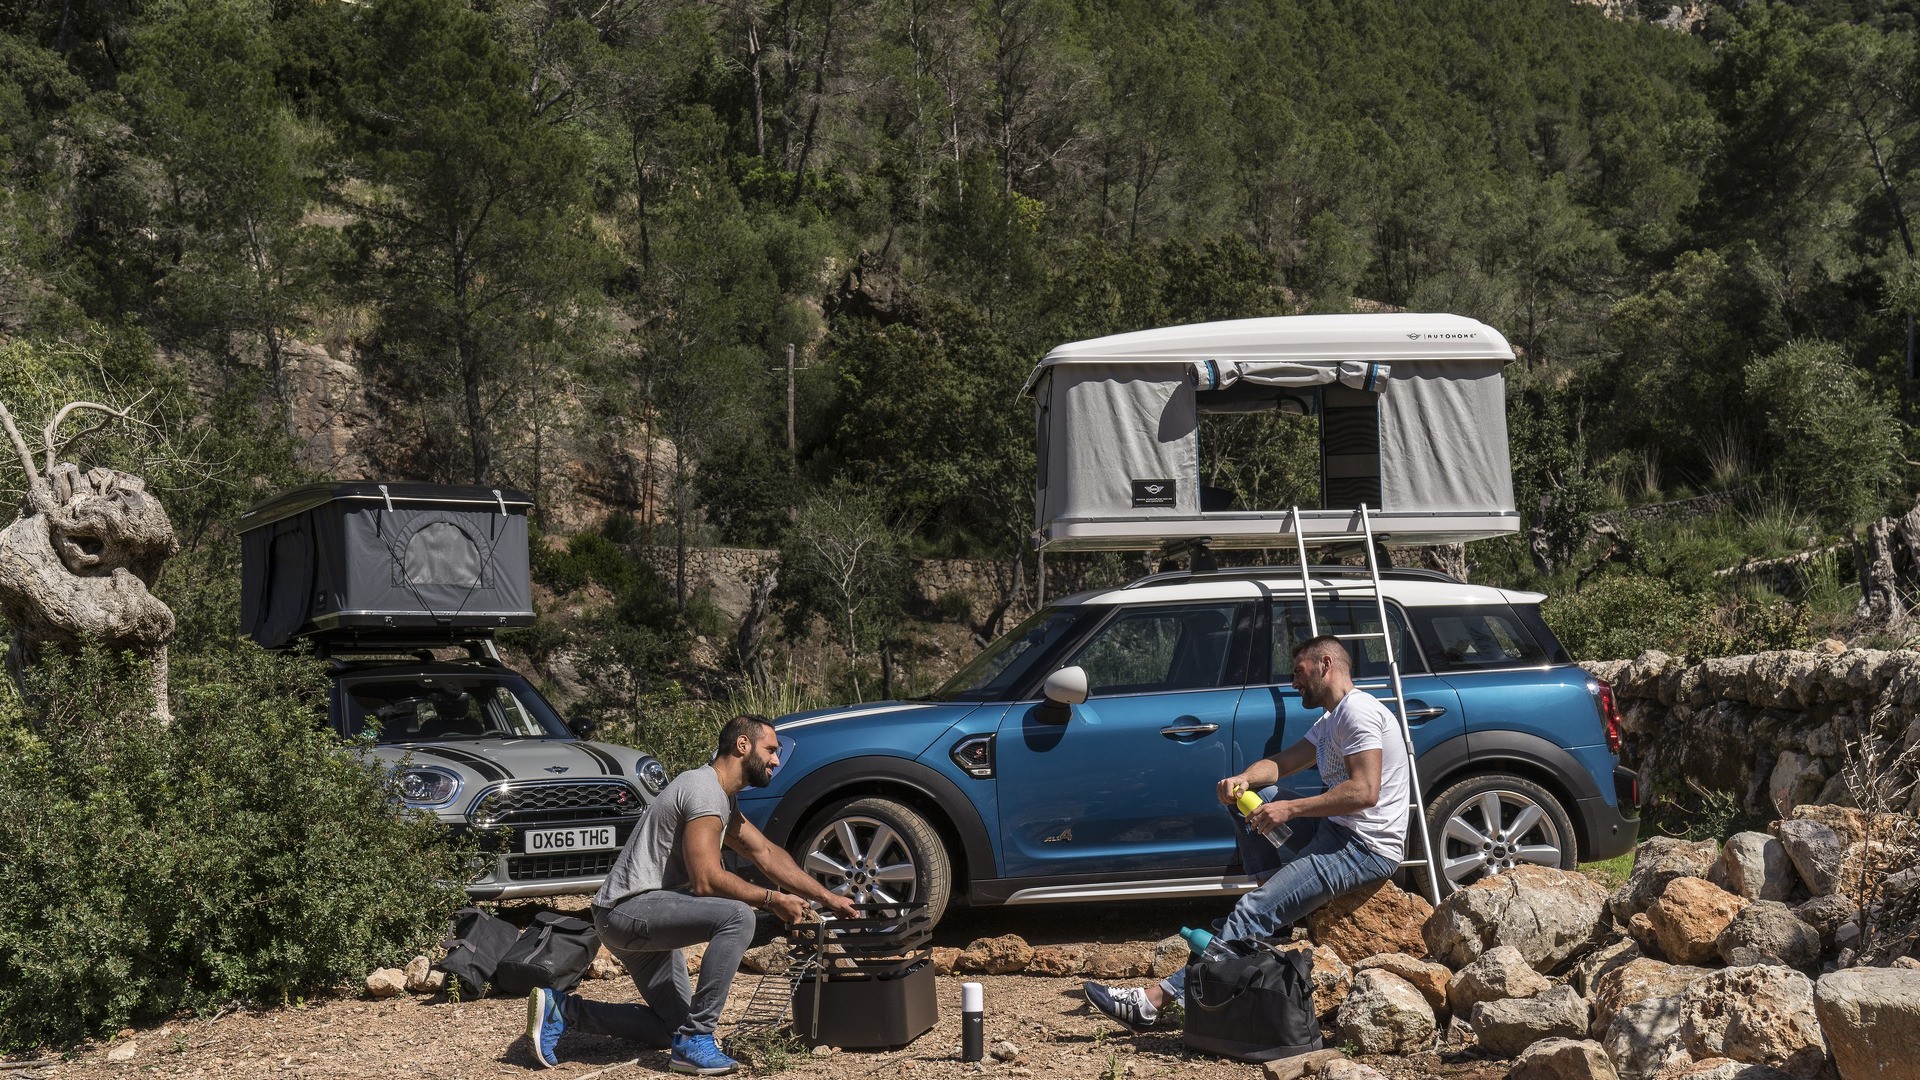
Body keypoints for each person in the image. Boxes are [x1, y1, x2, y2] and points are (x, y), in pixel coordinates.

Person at [1082, 634, 1410, 1033]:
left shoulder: (1359, 713)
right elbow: (1281, 764)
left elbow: (1364, 792)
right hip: (1335, 830)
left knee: (1252, 910)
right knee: (1248, 799)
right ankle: (1275, 915)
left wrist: (1290, 808)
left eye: (1298, 672)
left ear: (1326, 664)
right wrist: (1242, 780)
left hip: (1364, 848)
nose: (1294, 682)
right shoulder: (1331, 719)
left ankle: (1154, 1002)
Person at [522, 714, 859, 1075]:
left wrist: (828, 897)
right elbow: (707, 881)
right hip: (628, 911)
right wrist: (773, 901)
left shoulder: (722, 797)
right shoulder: (703, 790)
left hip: (646, 915)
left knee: (671, 1027)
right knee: (738, 916)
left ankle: (564, 1011)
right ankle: (698, 1039)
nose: (776, 760)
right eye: (771, 750)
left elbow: (765, 853)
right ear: (742, 745)